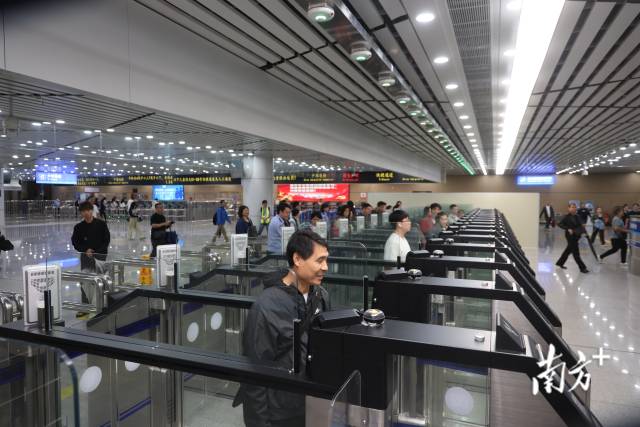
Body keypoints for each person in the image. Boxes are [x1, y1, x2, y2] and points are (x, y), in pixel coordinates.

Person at [233, 230, 330, 426]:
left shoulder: (321, 296)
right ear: (297, 259)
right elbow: (254, 373)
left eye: (326, 260)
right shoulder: (266, 307)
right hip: (280, 412)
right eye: (319, 260)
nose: (325, 267)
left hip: (312, 403)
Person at [71, 201, 110, 311]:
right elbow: (75, 242)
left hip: (100, 258)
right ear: (81, 213)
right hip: (86, 258)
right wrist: (85, 250)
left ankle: (102, 305)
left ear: (92, 211)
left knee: (101, 281)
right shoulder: (78, 227)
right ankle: (86, 306)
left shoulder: (101, 224)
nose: (86, 213)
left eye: (88, 210)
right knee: (85, 281)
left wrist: (96, 252)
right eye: (83, 211)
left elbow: (106, 240)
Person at [556, 203, 589, 273]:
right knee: (575, 252)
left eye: (575, 207)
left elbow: (581, 225)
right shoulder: (566, 217)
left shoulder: (578, 216)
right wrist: (567, 228)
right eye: (572, 207)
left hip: (577, 235)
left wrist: (584, 232)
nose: (574, 208)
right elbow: (559, 224)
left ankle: (560, 263)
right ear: (568, 208)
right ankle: (582, 268)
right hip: (570, 236)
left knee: (568, 250)